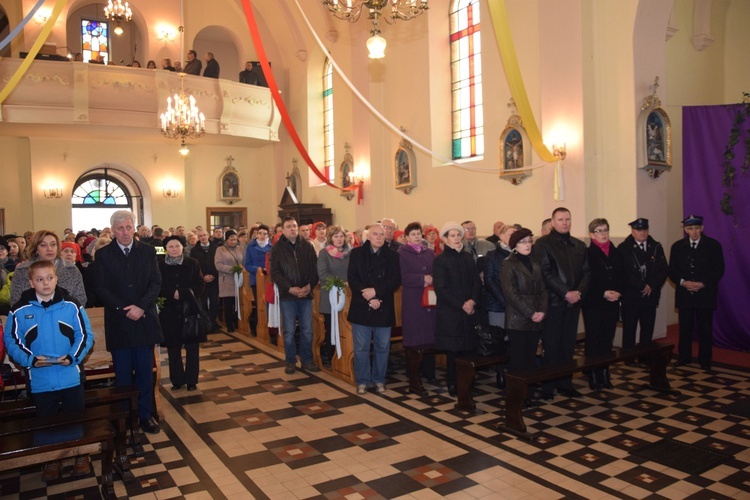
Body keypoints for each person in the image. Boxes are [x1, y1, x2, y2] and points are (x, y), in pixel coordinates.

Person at [4, 260, 94, 480]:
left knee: (75, 417)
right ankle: (51, 460)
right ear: (31, 282)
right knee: (46, 421)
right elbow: (12, 340)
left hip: (70, 375)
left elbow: (85, 335)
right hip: (41, 379)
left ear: (56, 278)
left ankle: (79, 455)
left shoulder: (71, 305)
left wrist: (73, 357)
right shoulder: (19, 310)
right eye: (40, 279)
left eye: (50, 278)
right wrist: (30, 360)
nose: (46, 283)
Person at [95, 210, 163, 434]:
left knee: (144, 372)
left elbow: (155, 282)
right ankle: (125, 416)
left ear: (134, 227)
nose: (124, 232)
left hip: (143, 319)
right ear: (113, 230)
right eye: (120, 228)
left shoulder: (148, 251)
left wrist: (141, 306)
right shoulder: (104, 254)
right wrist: (123, 310)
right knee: (123, 375)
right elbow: (101, 287)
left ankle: (145, 415)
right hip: (119, 321)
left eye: (128, 227)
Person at [532, 207, 590, 400]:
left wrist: (578, 292)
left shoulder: (579, 245)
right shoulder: (542, 244)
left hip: (573, 304)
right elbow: (546, 273)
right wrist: (565, 293)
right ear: (553, 221)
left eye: (567, 219)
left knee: (568, 345)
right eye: (560, 219)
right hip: (554, 303)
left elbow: (586, 272)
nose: (565, 222)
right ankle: (548, 387)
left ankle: (566, 384)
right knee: (552, 345)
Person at [347, 223, 401, 394]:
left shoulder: (392, 256)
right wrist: (369, 297)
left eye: (382, 234)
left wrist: (376, 293)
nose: (379, 237)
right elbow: (352, 278)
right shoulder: (356, 253)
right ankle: (362, 381)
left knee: (382, 347)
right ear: (368, 236)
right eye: (375, 234)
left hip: (383, 305)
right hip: (362, 305)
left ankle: (379, 379)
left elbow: (395, 280)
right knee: (361, 347)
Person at [669, 215, 725, 370]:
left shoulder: (713, 246)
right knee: (684, 327)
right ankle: (684, 356)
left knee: (705, 328)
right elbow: (672, 270)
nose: (694, 232)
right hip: (685, 293)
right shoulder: (678, 246)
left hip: (704, 293)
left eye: (697, 228)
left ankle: (705, 358)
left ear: (702, 228)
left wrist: (702, 283)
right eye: (690, 229)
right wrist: (683, 282)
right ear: (686, 230)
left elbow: (718, 269)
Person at [500, 228, 547, 406]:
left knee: (530, 358)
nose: (527, 245)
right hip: (518, 318)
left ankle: (529, 392)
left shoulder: (535, 263)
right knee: (518, 359)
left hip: (536, 317)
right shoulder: (508, 264)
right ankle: (516, 395)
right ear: (514, 245)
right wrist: (531, 312)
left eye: (529, 241)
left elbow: (543, 290)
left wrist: (542, 311)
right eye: (523, 242)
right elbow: (511, 294)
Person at [433, 221, 481, 397]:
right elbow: (441, 289)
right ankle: (453, 384)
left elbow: (476, 282)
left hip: (469, 311)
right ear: (445, 239)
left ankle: (468, 382)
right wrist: (462, 304)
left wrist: (473, 301)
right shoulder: (440, 260)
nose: (456, 238)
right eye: (452, 236)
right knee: (453, 351)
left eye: (458, 235)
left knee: (469, 350)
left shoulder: (468, 257)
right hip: (451, 313)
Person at [270, 217, 320, 373]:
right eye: (288, 226)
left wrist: (309, 286)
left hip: (306, 294)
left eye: (294, 226)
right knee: (290, 331)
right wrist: (289, 288)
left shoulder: (307, 246)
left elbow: (315, 270)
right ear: (283, 230)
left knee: (307, 330)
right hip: (288, 296)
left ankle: (307, 361)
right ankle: (290, 361)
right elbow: (275, 274)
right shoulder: (277, 249)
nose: (292, 228)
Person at [582, 218, 625, 389]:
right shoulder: (587, 253)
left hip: (613, 301)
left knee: (607, 339)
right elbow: (586, 279)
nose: (603, 234)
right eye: (599, 231)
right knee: (594, 338)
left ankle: (605, 372)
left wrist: (619, 292)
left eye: (606, 230)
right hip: (593, 302)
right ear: (592, 234)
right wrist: (603, 293)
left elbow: (623, 274)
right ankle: (593, 373)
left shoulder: (616, 252)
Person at [159, 236, 205, 391]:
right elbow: (156, 286)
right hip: (169, 311)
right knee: (173, 347)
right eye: (170, 246)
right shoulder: (160, 266)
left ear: (182, 247)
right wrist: (172, 293)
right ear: (166, 249)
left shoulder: (192, 263)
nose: (174, 249)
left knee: (192, 347)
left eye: (177, 246)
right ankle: (177, 380)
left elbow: (199, 285)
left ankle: (192, 380)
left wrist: (183, 293)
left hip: (189, 309)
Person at [618, 218, 668, 357]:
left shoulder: (656, 246)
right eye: (639, 230)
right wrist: (640, 285)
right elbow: (623, 272)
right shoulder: (624, 248)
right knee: (629, 328)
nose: (642, 233)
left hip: (650, 295)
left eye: (645, 230)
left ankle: (645, 356)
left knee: (647, 327)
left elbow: (663, 270)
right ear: (633, 232)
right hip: (631, 296)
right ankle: (628, 356)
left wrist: (652, 285)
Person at [398, 222, 437, 384]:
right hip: (413, 299)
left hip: (430, 296)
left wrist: (433, 278)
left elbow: (437, 270)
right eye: (413, 234)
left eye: (418, 234)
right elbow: (402, 276)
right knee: (415, 337)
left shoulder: (430, 253)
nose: (417, 237)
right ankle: (413, 374)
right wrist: (422, 279)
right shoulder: (401, 253)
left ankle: (429, 372)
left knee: (430, 335)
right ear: (407, 237)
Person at [11, 230, 87, 307]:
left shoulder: (71, 269)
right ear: (36, 249)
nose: (49, 249)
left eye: (53, 244)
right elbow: (15, 301)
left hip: (65, 316)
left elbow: (80, 298)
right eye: (43, 245)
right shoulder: (22, 270)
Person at [316, 225, 351, 366]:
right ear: (331, 238)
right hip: (331, 296)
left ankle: (347, 355)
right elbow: (323, 274)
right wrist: (341, 283)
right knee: (332, 327)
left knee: (347, 327)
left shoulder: (351, 252)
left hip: (349, 295)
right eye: (336, 236)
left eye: (341, 236)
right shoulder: (324, 253)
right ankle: (332, 357)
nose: (339, 239)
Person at [214, 230, 245, 333]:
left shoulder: (241, 249)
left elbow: (244, 261)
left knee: (239, 302)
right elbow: (218, 265)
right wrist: (233, 268)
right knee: (228, 304)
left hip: (239, 279)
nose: (233, 241)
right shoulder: (220, 249)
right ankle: (229, 324)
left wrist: (242, 268)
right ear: (226, 240)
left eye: (235, 239)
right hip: (226, 279)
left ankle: (237, 322)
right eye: (231, 239)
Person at [244, 224, 271, 336]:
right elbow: (247, 264)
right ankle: (256, 326)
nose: (262, 236)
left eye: (265, 233)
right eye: (260, 233)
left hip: (269, 279)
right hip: (256, 279)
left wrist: (268, 269)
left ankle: (270, 328)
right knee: (259, 303)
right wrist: (259, 270)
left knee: (269, 303)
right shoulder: (251, 246)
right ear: (257, 234)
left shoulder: (271, 246)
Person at [190, 230, 220, 331]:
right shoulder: (194, 250)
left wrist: (214, 275)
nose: (203, 237)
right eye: (200, 236)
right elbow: (194, 265)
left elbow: (218, 263)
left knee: (214, 302)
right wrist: (203, 277)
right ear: (198, 238)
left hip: (214, 279)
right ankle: (205, 323)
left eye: (204, 235)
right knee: (202, 303)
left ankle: (213, 322)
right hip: (201, 280)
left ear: (208, 236)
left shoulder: (215, 248)